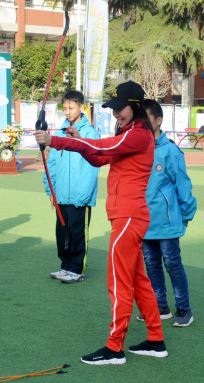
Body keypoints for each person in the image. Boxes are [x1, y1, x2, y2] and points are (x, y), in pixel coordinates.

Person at [34, 81, 166, 365]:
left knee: (119, 282)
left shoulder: (139, 135)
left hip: (129, 216)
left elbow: (102, 146)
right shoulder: (130, 132)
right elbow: (98, 158)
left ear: (136, 106)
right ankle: (156, 340)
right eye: (114, 108)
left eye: (120, 108)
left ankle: (115, 347)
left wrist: (55, 140)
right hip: (127, 215)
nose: (116, 113)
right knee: (139, 280)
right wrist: (75, 139)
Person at [137, 99, 197, 327]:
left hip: (168, 222)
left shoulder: (170, 151)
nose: (141, 124)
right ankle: (160, 305)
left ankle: (184, 308)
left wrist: (185, 215)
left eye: (146, 119)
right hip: (145, 221)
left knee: (173, 263)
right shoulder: (139, 147)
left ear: (158, 120)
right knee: (151, 263)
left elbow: (183, 185)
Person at [45, 90, 100, 283]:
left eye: (71, 107)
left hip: (79, 196)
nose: (67, 112)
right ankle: (65, 266)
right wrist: (50, 190)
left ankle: (77, 268)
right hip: (60, 194)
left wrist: (82, 196)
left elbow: (92, 168)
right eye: (65, 108)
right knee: (62, 233)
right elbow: (51, 163)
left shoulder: (90, 133)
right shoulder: (60, 132)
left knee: (77, 233)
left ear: (81, 107)